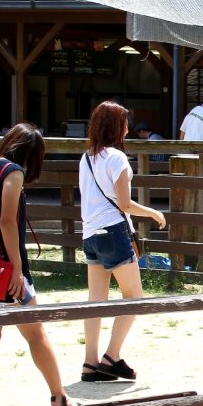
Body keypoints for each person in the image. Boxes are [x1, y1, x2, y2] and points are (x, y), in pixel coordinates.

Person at [0, 123, 77, 406]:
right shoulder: (13, 171)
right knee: (36, 333)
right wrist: (15, 269)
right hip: (5, 271)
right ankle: (59, 397)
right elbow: (6, 222)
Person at [79, 101, 167, 382]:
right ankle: (111, 356)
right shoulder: (116, 158)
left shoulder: (87, 157)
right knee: (134, 297)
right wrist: (153, 212)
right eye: (125, 122)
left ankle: (89, 363)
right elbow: (124, 204)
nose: (128, 128)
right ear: (117, 127)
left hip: (90, 235)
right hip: (114, 234)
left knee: (95, 302)